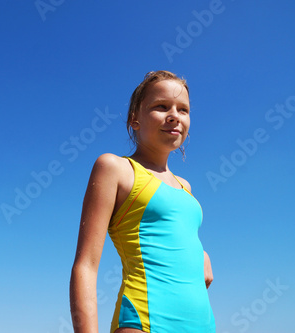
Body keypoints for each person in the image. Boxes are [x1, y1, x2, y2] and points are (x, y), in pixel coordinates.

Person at [69, 71, 216, 333]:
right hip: (145, 321)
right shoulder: (115, 168)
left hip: (203, 324)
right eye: (161, 106)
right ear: (134, 120)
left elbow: (173, 233)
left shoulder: (186, 187)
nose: (174, 115)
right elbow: (86, 266)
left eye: (183, 109)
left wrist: (201, 255)